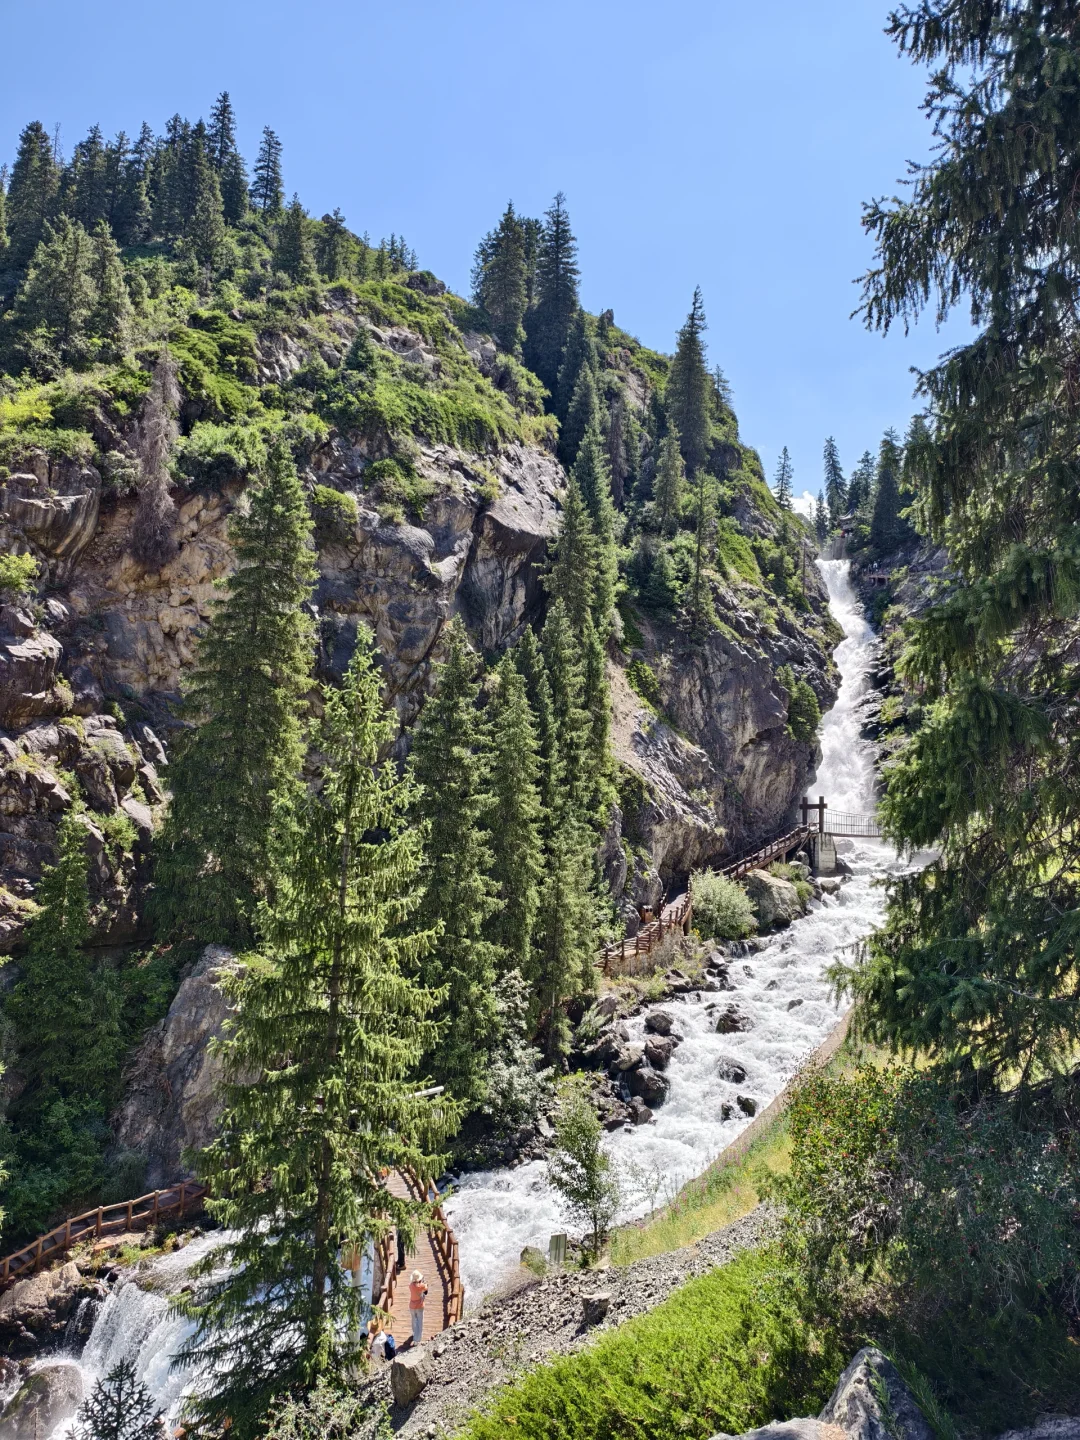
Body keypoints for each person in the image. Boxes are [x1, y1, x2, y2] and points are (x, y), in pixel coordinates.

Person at [408, 1269, 428, 1346]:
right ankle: (417, 1339)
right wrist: (424, 1283)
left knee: (414, 1320)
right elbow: (426, 1290)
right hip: (419, 1306)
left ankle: (414, 1332)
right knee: (419, 1322)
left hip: (412, 1306)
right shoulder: (421, 1286)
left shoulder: (410, 1286)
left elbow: (416, 1286)